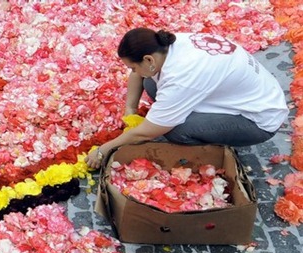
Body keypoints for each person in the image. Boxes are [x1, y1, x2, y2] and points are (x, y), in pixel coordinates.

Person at [85, 28, 289, 169]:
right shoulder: (167, 44)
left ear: (148, 59)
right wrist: (130, 109)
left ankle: (210, 151)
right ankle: (192, 117)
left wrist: (102, 151)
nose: (132, 71)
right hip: (250, 92)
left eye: (132, 66)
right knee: (150, 82)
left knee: (176, 130)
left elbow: (145, 134)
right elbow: (140, 73)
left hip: (259, 119)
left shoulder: (182, 77)